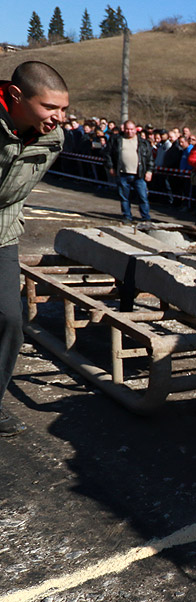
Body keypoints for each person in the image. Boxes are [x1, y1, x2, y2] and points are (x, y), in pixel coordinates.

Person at [0, 61, 69, 435]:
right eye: (50, 108)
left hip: (2, 231)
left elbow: (15, 193)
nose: (58, 118)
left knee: (10, 320)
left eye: (64, 109)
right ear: (15, 97)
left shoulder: (52, 140)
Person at [104, 119, 154, 223]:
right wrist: (110, 167)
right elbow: (107, 154)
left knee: (143, 197)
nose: (129, 131)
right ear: (124, 129)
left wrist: (149, 171)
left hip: (139, 174)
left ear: (136, 130)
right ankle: (127, 216)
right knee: (124, 198)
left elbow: (150, 159)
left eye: (131, 129)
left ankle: (146, 217)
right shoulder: (116, 140)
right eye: (127, 129)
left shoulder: (143, 143)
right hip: (122, 173)